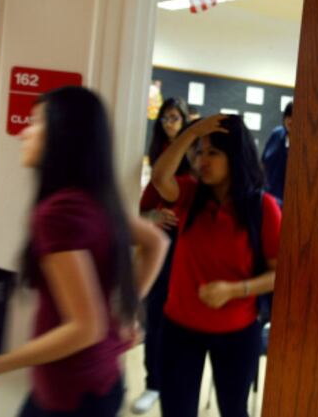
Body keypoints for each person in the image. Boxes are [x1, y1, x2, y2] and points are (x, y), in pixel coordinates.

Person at [0, 86, 169, 417]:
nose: (23, 133)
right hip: (94, 382)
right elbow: (155, 242)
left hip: (73, 394)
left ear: (63, 135)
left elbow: (85, 326)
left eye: (35, 122)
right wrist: (124, 307)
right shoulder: (90, 199)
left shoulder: (59, 213)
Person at [151, 114, 281, 417]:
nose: (201, 160)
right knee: (176, 411)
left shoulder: (263, 208)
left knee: (233, 411)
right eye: (199, 152)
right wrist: (193, 132)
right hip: (179, 329)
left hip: (237, 333)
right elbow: (159, 178)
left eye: (213, 152)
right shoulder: (189, 194)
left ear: (234, 155)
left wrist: (235, 290)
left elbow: (278, 275)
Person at [132, 97, 191, 414]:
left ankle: (173, 383)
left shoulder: (196, 159)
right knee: (156, 314)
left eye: (175, 118)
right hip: (161, 248)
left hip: (191, 249)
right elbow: (140, 209)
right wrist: (153, 217)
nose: (170, 123)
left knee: (184, 321)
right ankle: (153, 383)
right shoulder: (156, 160)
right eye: (165, 119)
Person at [261, 102, 293, 206]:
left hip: (286, 202)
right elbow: (263, 161)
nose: (290, 120)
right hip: (266, 195)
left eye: (294, 116)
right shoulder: (277, 133)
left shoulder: (303, 142)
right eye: (288, 116)